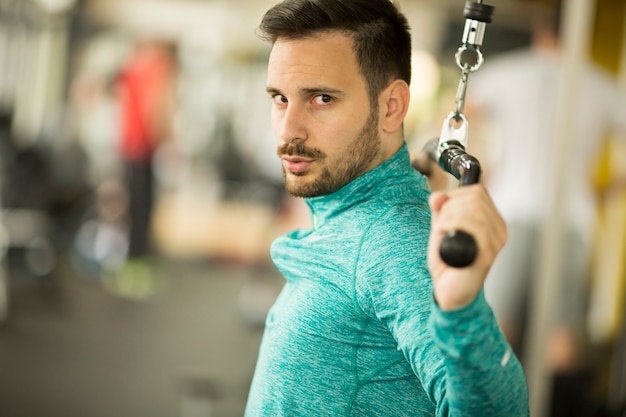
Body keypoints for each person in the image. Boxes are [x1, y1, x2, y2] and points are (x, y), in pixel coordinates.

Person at [244, 1, 529, 415]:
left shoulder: (391, 242)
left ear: (392, 106)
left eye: (322, 98)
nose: (289, 129)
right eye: (279, 98)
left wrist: (463, 313)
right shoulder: (354, 219)